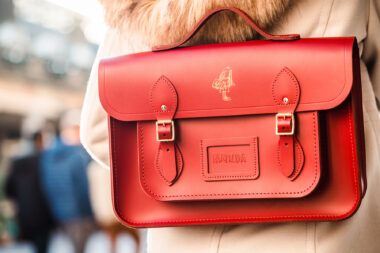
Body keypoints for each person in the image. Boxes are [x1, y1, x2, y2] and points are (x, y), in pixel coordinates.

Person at [80, 0, 380, 252]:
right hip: (328, 236)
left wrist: (198, 179)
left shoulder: (138, 6)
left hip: (186, 239)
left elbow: (98, 131)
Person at [40, 110, 96, 253]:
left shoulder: (49, 154)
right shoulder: (78, 154)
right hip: (81, 214)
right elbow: (84, 187)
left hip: (59, 212)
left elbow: (47, 184)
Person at [5, 131, 56, 253]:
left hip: (25, 214)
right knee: (43, 246)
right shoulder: (44, 160)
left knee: (33, 246)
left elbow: (8, 189)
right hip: (44, 213)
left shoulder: (17, 163)